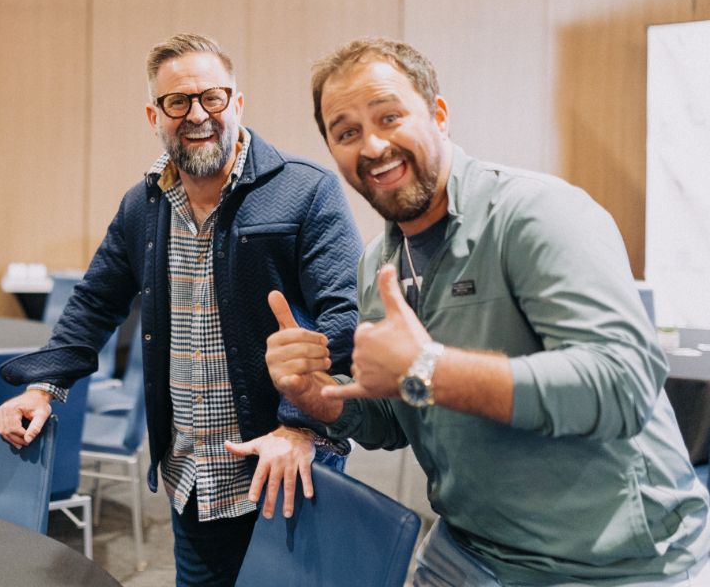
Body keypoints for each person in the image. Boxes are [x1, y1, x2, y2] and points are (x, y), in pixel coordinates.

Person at [265, 37, 710, 585]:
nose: (374, 145)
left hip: (611, 563)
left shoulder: (536, 215)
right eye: (347, 132)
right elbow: (401, 411)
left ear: (440, 115)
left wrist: (427, 368)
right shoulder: (377, 263)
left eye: (389, 116)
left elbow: (624, 385)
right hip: (468, 547)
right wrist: (319, 397)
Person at [0, 33, 362, 585]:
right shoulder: (143, 205)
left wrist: (301, 428)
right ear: (154, 114)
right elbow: (93, 305)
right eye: (178, 102)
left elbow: (347, 319)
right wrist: (41, 387)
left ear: (237, 103)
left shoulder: (306, 192)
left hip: (288, 466)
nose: (198, 114)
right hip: (192, 476)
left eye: (212, 98)